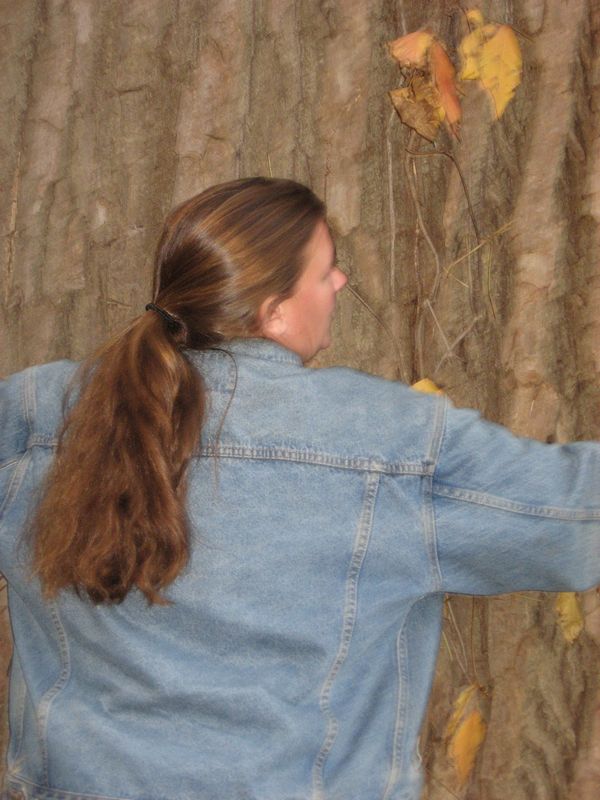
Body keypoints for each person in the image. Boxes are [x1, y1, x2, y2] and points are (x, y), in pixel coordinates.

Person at [0, 176, 598, 800]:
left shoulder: (44, 412)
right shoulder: (390, 439)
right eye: (326, 270)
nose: (341, 282)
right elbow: (572, 515)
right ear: (274, 311)